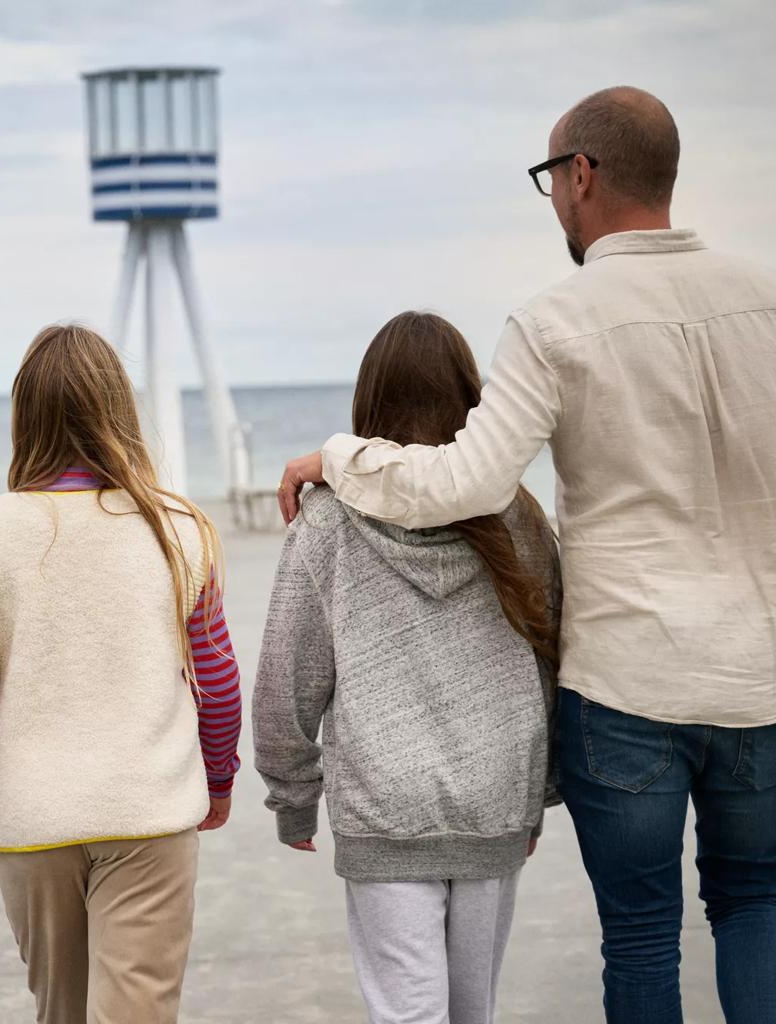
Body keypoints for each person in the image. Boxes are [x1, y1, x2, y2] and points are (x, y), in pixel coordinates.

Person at [276, 87, 776, 1023]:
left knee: (639, 932)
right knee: (756, 907)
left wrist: (339, 458)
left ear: (581, 176)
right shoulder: (766, 300)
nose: (553, 198)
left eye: (551, 179)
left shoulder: (555, 321)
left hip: (630, 688)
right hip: (760, 681)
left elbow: (465, 484)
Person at [0, 323, 244, 1024]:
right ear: (119, 411)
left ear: (25, 416)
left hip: (35, 823)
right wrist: (218, 779)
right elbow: (218, 681)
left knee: (61, 1013)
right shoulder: (176, 528)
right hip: (149, 813)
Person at [254, 312, 560, 1024]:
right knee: (470, 1011)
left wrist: (291, 795)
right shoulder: (516, 519)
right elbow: (551, 654)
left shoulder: (327, 525)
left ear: (369, 405)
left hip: (384, 808)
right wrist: (539, 786)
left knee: (406, 1014)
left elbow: (285, 680)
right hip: (493, 796)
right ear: (470, 401)